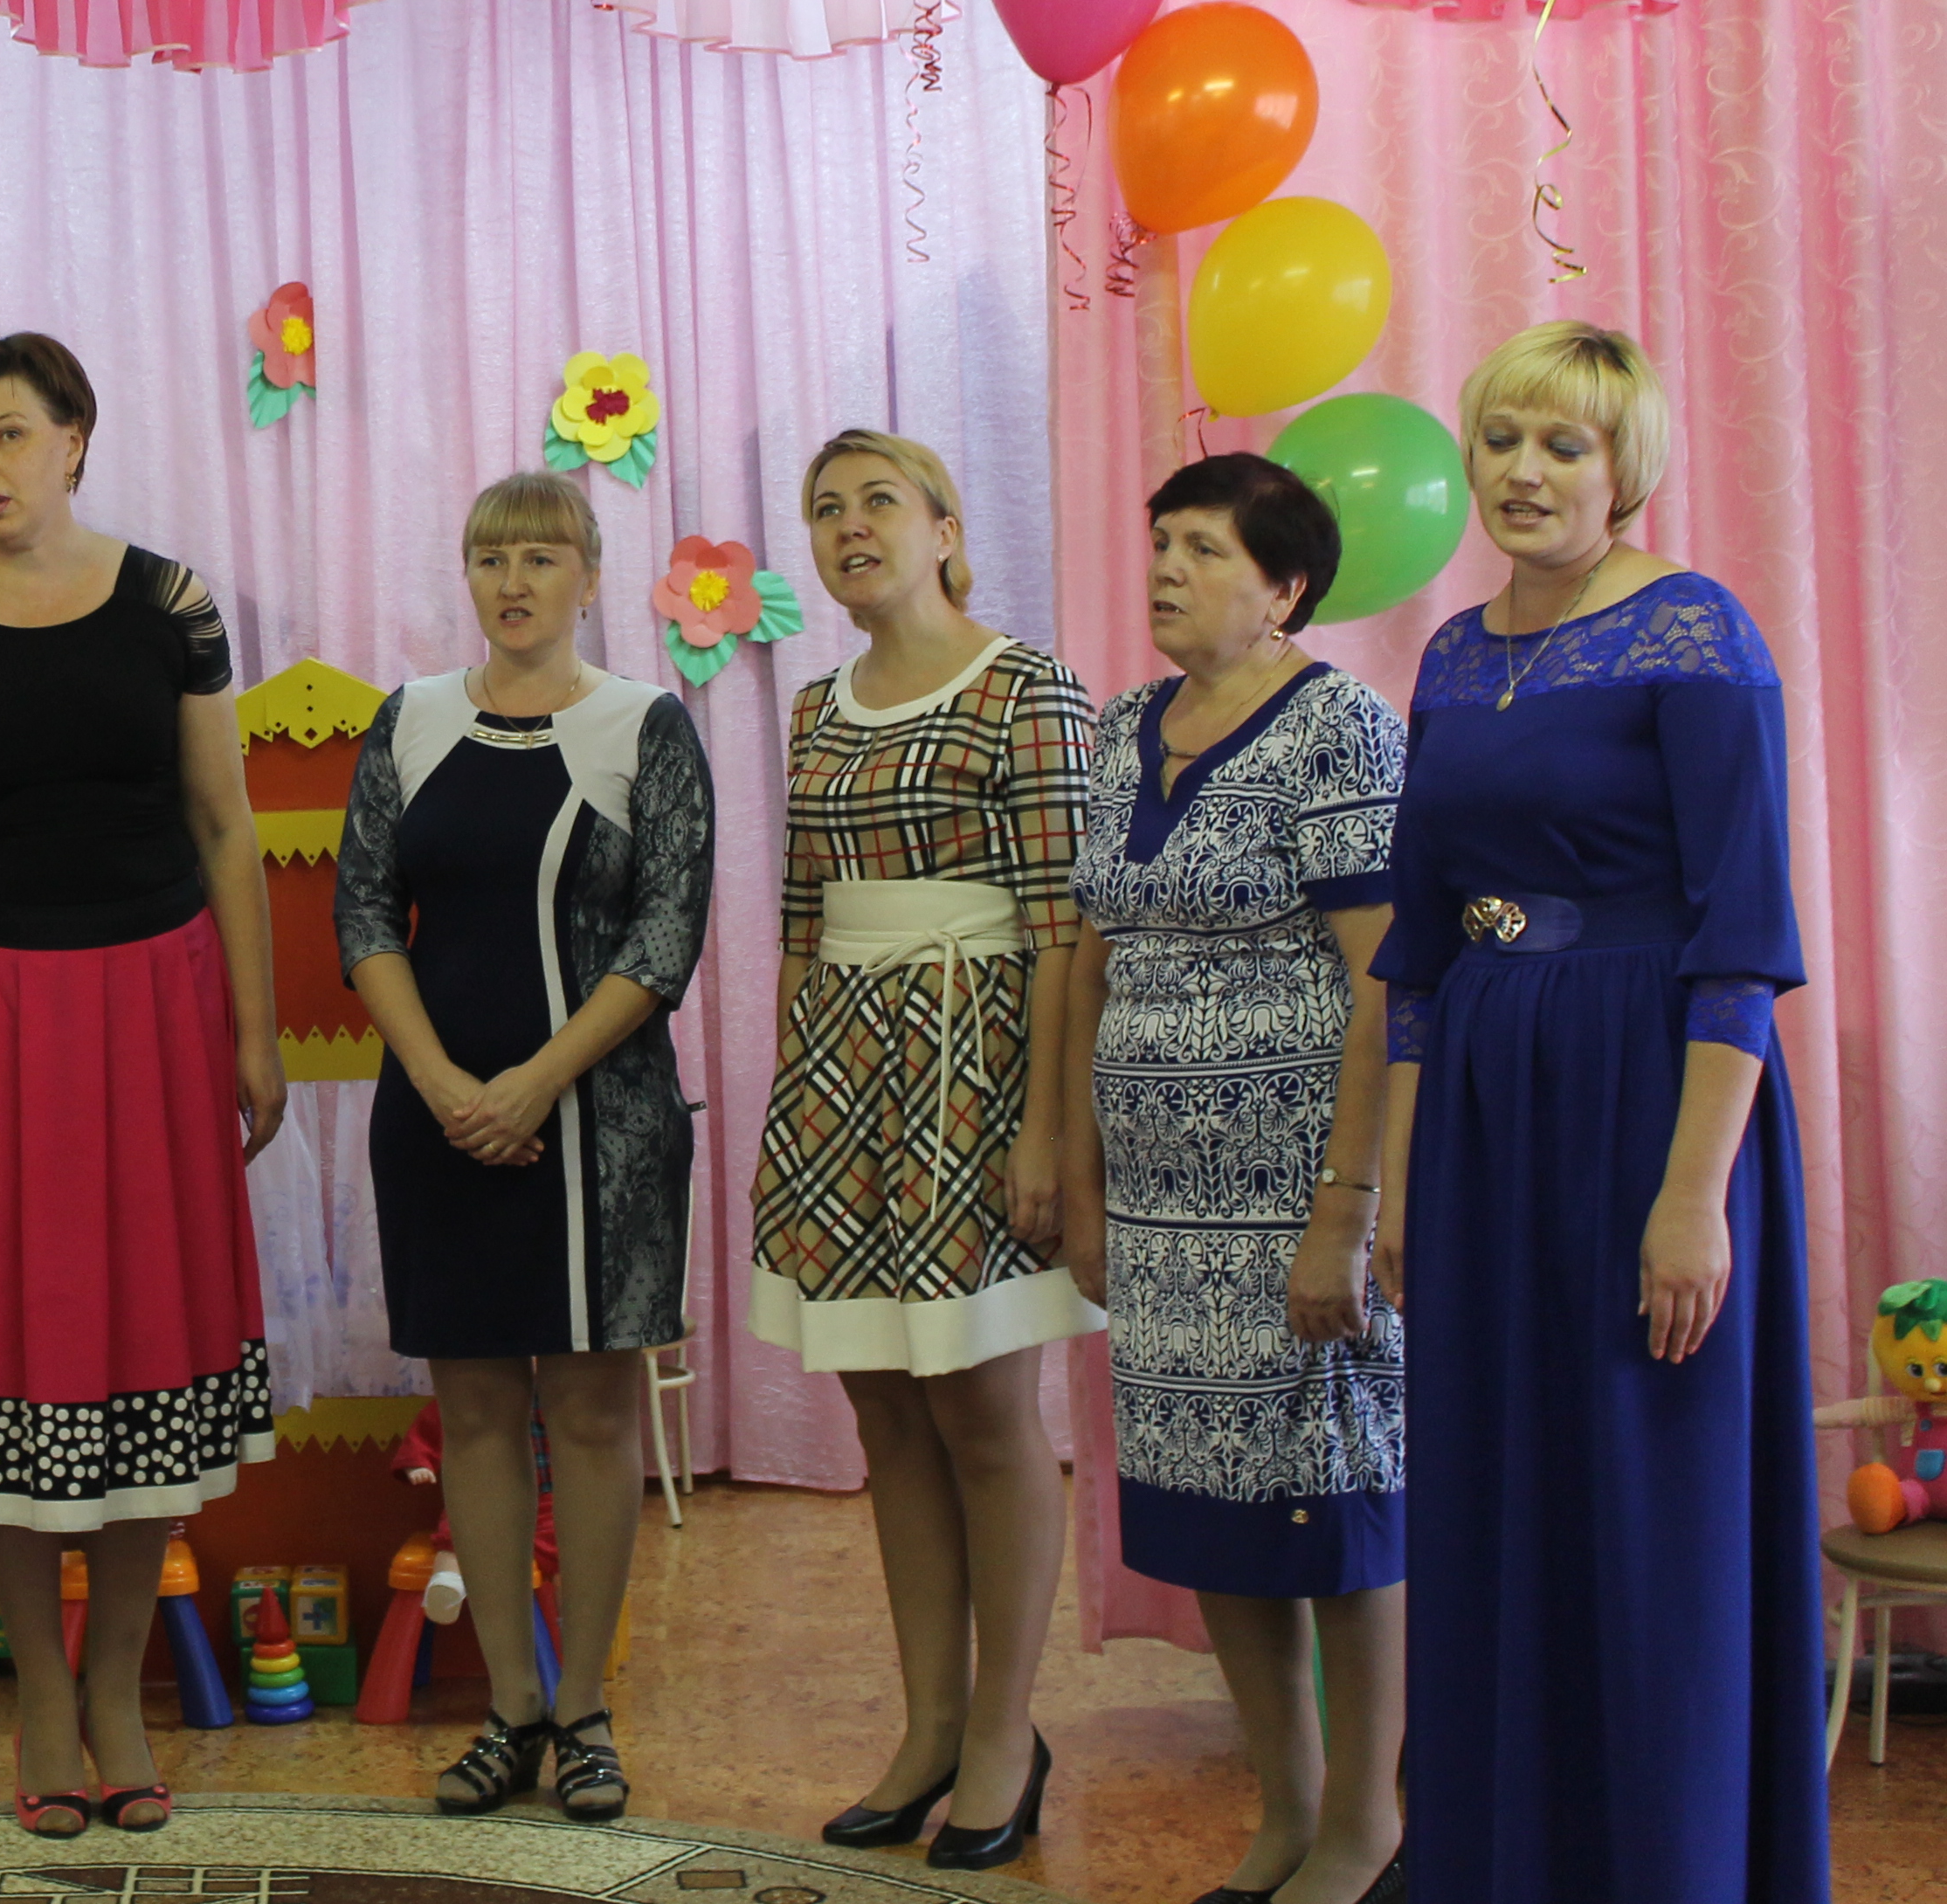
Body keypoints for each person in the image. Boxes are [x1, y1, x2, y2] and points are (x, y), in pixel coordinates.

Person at [1370, 324, 1823, 1904]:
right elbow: (1416, 954)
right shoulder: (1450, 656)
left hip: (1650, 1100)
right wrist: (1404, 1187)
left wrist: (1695, 1197)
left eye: (1564, 445)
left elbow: (1742, 939)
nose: (1525, 470)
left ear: (1625, 468)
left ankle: (1669, 1867)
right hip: (1486, 1104)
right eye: (1502, 439)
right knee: (1495, 1493)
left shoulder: (1695, 633)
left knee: (1647, 1506)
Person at [0, 332, 285, 1840]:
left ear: (76, 438)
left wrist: (254, 1031)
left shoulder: (173, 607)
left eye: (11, 435)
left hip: (154, 1010)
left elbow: (226, 828)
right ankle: (41, 1690)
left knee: (148, 1341)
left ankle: (117, 1688)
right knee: (10, 1364)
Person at [333, 470, 713, 1824]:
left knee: (594, 1413)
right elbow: (363, 913)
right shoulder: (411, 721)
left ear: (589, 578)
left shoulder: (645, 726)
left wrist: (534, 1086)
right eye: (492, 558)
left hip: (600, 1126)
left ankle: (587, 1711)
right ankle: (509, 1711)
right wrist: (447, 1086)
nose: (514, 582)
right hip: (438, 1122)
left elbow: (667, 935)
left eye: (542, 558)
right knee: (480, 1412)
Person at [1058, 453, 1408, 1904]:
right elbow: (1090, 960)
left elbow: (1388, 979)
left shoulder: (1341, 725)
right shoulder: (1123, 726)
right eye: (1161, 541)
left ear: (1285, 588)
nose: (1166, 567)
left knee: (1333, 1507)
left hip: (1292, 1199)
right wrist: (1079, 1173)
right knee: (1211, 1509)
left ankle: (1368, 1828)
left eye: (1204, 548)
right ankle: (1288, 1812)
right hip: (1157, 1211)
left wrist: (1347, 1211)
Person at [748, 429, 1093, 1874]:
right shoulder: (816, 707)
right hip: (845, 1080)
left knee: (984, 1412)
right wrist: (795, 1104)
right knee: (885, 1415)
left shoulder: (1026, 687)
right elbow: (801, 917)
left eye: (878, 502)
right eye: (825, 509)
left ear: (946, 529)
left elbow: (1068, 927)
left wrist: (1048, 1130)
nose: (850, 527)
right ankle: (930, 1724)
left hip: (978, 1068)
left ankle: (1008, 1730)